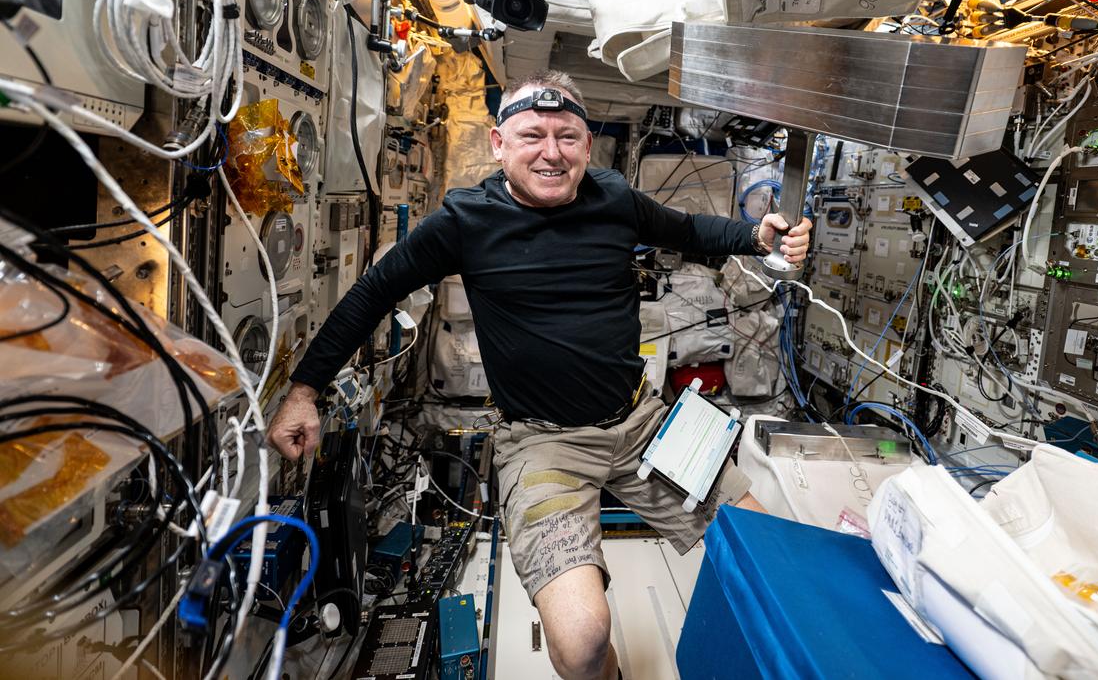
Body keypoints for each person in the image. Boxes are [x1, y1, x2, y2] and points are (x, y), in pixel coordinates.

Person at [267, 69, 811, 680]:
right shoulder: (466, 221)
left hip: (642, 425)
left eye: (567, 136)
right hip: (544, 443)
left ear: (586, 144)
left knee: (769, 546)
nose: (551, 152)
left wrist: (754, 235)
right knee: (581, 643)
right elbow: (372, 293)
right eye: (532, 135)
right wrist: (304, 391)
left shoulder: (614, 198)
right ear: (499, 144)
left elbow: (686, 230)